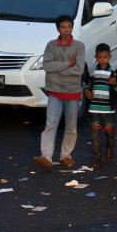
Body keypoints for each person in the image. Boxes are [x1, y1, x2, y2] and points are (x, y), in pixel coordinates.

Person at [34, 15, 87, 171]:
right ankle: (46, 156)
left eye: (69, 27)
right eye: (63, 27)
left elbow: (79, 70)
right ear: (58, 29)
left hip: (72, 91)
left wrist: (59, 69)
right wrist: (67, 64)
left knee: (71, 126)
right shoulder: (51, 45)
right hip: (54, 91)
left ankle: (66, 155)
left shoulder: (79, 46)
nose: (67, 30)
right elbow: (47, 66)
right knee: (51, 124)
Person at [82, 43, 117, 169]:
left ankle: (110, 150)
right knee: (95, 135)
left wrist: (115, 83)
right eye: (100, 57)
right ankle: (97, 157)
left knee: (110, 134)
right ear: (96, 57)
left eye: (105, 57)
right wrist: (86, 91)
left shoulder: (113, 71)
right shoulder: (92, 71)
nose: (102, 60)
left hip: (108, 110)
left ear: (109, 56)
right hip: (94, 108)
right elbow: (85, 83)